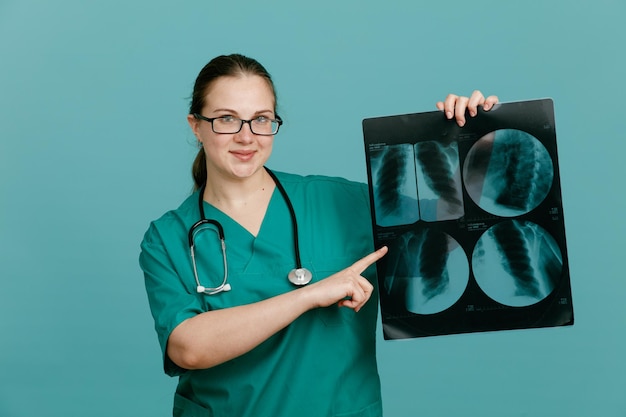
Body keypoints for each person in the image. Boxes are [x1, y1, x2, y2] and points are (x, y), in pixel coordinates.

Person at [139, 53, 498, 417]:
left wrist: (473, 138)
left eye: (261, 119)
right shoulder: (167, 239)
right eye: (227, 119)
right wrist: (309, 296)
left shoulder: (344, 203)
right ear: (196, 126)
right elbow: (188, 348)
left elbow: (462, 224)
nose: (246, 137)